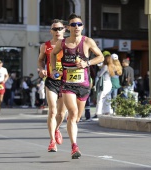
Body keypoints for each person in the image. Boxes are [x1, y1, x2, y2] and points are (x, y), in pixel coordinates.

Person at [50, 13, 104, 159]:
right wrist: (54, 69)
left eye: (79, 24)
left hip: (84, 85)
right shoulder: (63, 43)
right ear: (68, 28)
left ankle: (59, 130)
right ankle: (74, 146)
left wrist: (87, 63)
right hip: (68, 84)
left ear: (82, 27)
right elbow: (53, 55)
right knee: (72, 114)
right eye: (73, 25)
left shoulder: (87, 42)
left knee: (77, 118)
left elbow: (101, 57)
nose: (76, 27)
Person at [38, 19, 67, 153]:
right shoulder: (46, 46)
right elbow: (40, 60)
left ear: (64, 30)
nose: (57, 31)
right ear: (51, 31)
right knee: (53, 110)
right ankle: (52, 141)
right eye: (54, 29)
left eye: (60, 28)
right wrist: (41, 69)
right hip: (51, 81)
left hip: (66, 81)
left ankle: (56, 129)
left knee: (61, 113)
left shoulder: (70, 44)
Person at [93, 51, 114, 118]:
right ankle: (107, 111)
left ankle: (98, 113)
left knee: (100, 98)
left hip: (104, 83)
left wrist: (99, 70)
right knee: (107, 98)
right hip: (109, 83)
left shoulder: (105, 67)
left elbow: (99, 74)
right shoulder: (111, 66)